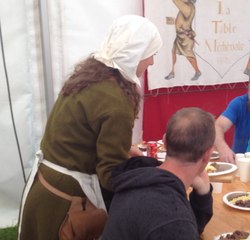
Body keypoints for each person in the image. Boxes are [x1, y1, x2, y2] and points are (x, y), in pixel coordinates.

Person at [18, 15, 162, 239]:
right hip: (65, 201)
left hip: (46, 186)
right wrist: (154, 180)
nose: (151, 62)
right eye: (150, 54)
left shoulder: (91, 76)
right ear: (135, 54)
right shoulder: (116, 101)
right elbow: (110, 174)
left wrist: (123, 152)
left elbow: (81, 135)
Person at [102, 107, 214, 239]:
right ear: (208, 154)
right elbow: (177, 228)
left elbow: (187, 229)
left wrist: (203, 195)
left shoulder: (140, 178)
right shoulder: (172, 217)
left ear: (165, 142)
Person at [165, 0, 202, 81]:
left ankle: (197, 71)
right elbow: (182, 21)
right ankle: (172, 72)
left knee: (189, 56)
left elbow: (176, 1)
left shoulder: (188, 7)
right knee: (173, 51)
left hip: (185, 38)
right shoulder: (188, 6)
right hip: (181, 36)